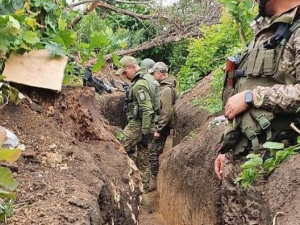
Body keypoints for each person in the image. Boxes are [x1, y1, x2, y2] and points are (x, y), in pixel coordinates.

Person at [214, 0, 300, 224]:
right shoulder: (264, 33)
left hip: (270, 154)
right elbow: (241, 91)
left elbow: (248, 96)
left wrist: (253, 97)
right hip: (241, 150)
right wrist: (226, 147)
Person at [116, 55, 160, 191]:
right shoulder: (149, 79)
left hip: (139, 125)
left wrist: (144, 132)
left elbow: (147, 109)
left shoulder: (140, 84)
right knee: (143, 160)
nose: (124, 75)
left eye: (125, 72)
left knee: (117, 150)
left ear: (133, 67)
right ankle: (143, 193)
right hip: (150, 125)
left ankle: (122, 187)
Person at [148, 62, 178, 192]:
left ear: (160, 73)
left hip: (162, 127)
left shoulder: (166, 90)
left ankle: (154, 181)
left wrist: (159, 130)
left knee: (153, 153)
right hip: (162, 126)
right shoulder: (165, 87)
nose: (153, 76)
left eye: (154, 73)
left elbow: (165, 112)